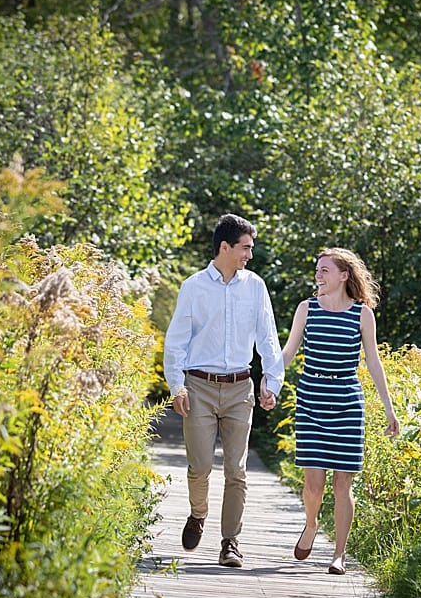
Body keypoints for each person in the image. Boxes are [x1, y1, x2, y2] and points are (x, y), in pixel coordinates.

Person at [162, 213, 283, 568]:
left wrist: (271, 382)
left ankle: (230, 541)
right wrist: (177, 386)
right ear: (225, 247)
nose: (249, 255)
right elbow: (176, 341)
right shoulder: (194, 286)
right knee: (199, 467)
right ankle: (198, 514)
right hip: (198, 386)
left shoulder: (255, 286)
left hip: (239, 388)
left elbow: (268, 338)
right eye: (245, 248)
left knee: (237, 470)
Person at [280, 247, 400, 575]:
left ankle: (339, 554)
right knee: (314, 486)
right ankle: (311, 523)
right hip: (311, 399)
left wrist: (390, 410)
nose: (318, 275)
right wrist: (269, 382)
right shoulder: (307, 309)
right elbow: (289, 350)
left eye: (325, 270)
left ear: (344, 275)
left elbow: (373, 363)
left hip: (347, 402)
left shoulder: (362, 314)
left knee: (342, 484)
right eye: (317, 270)